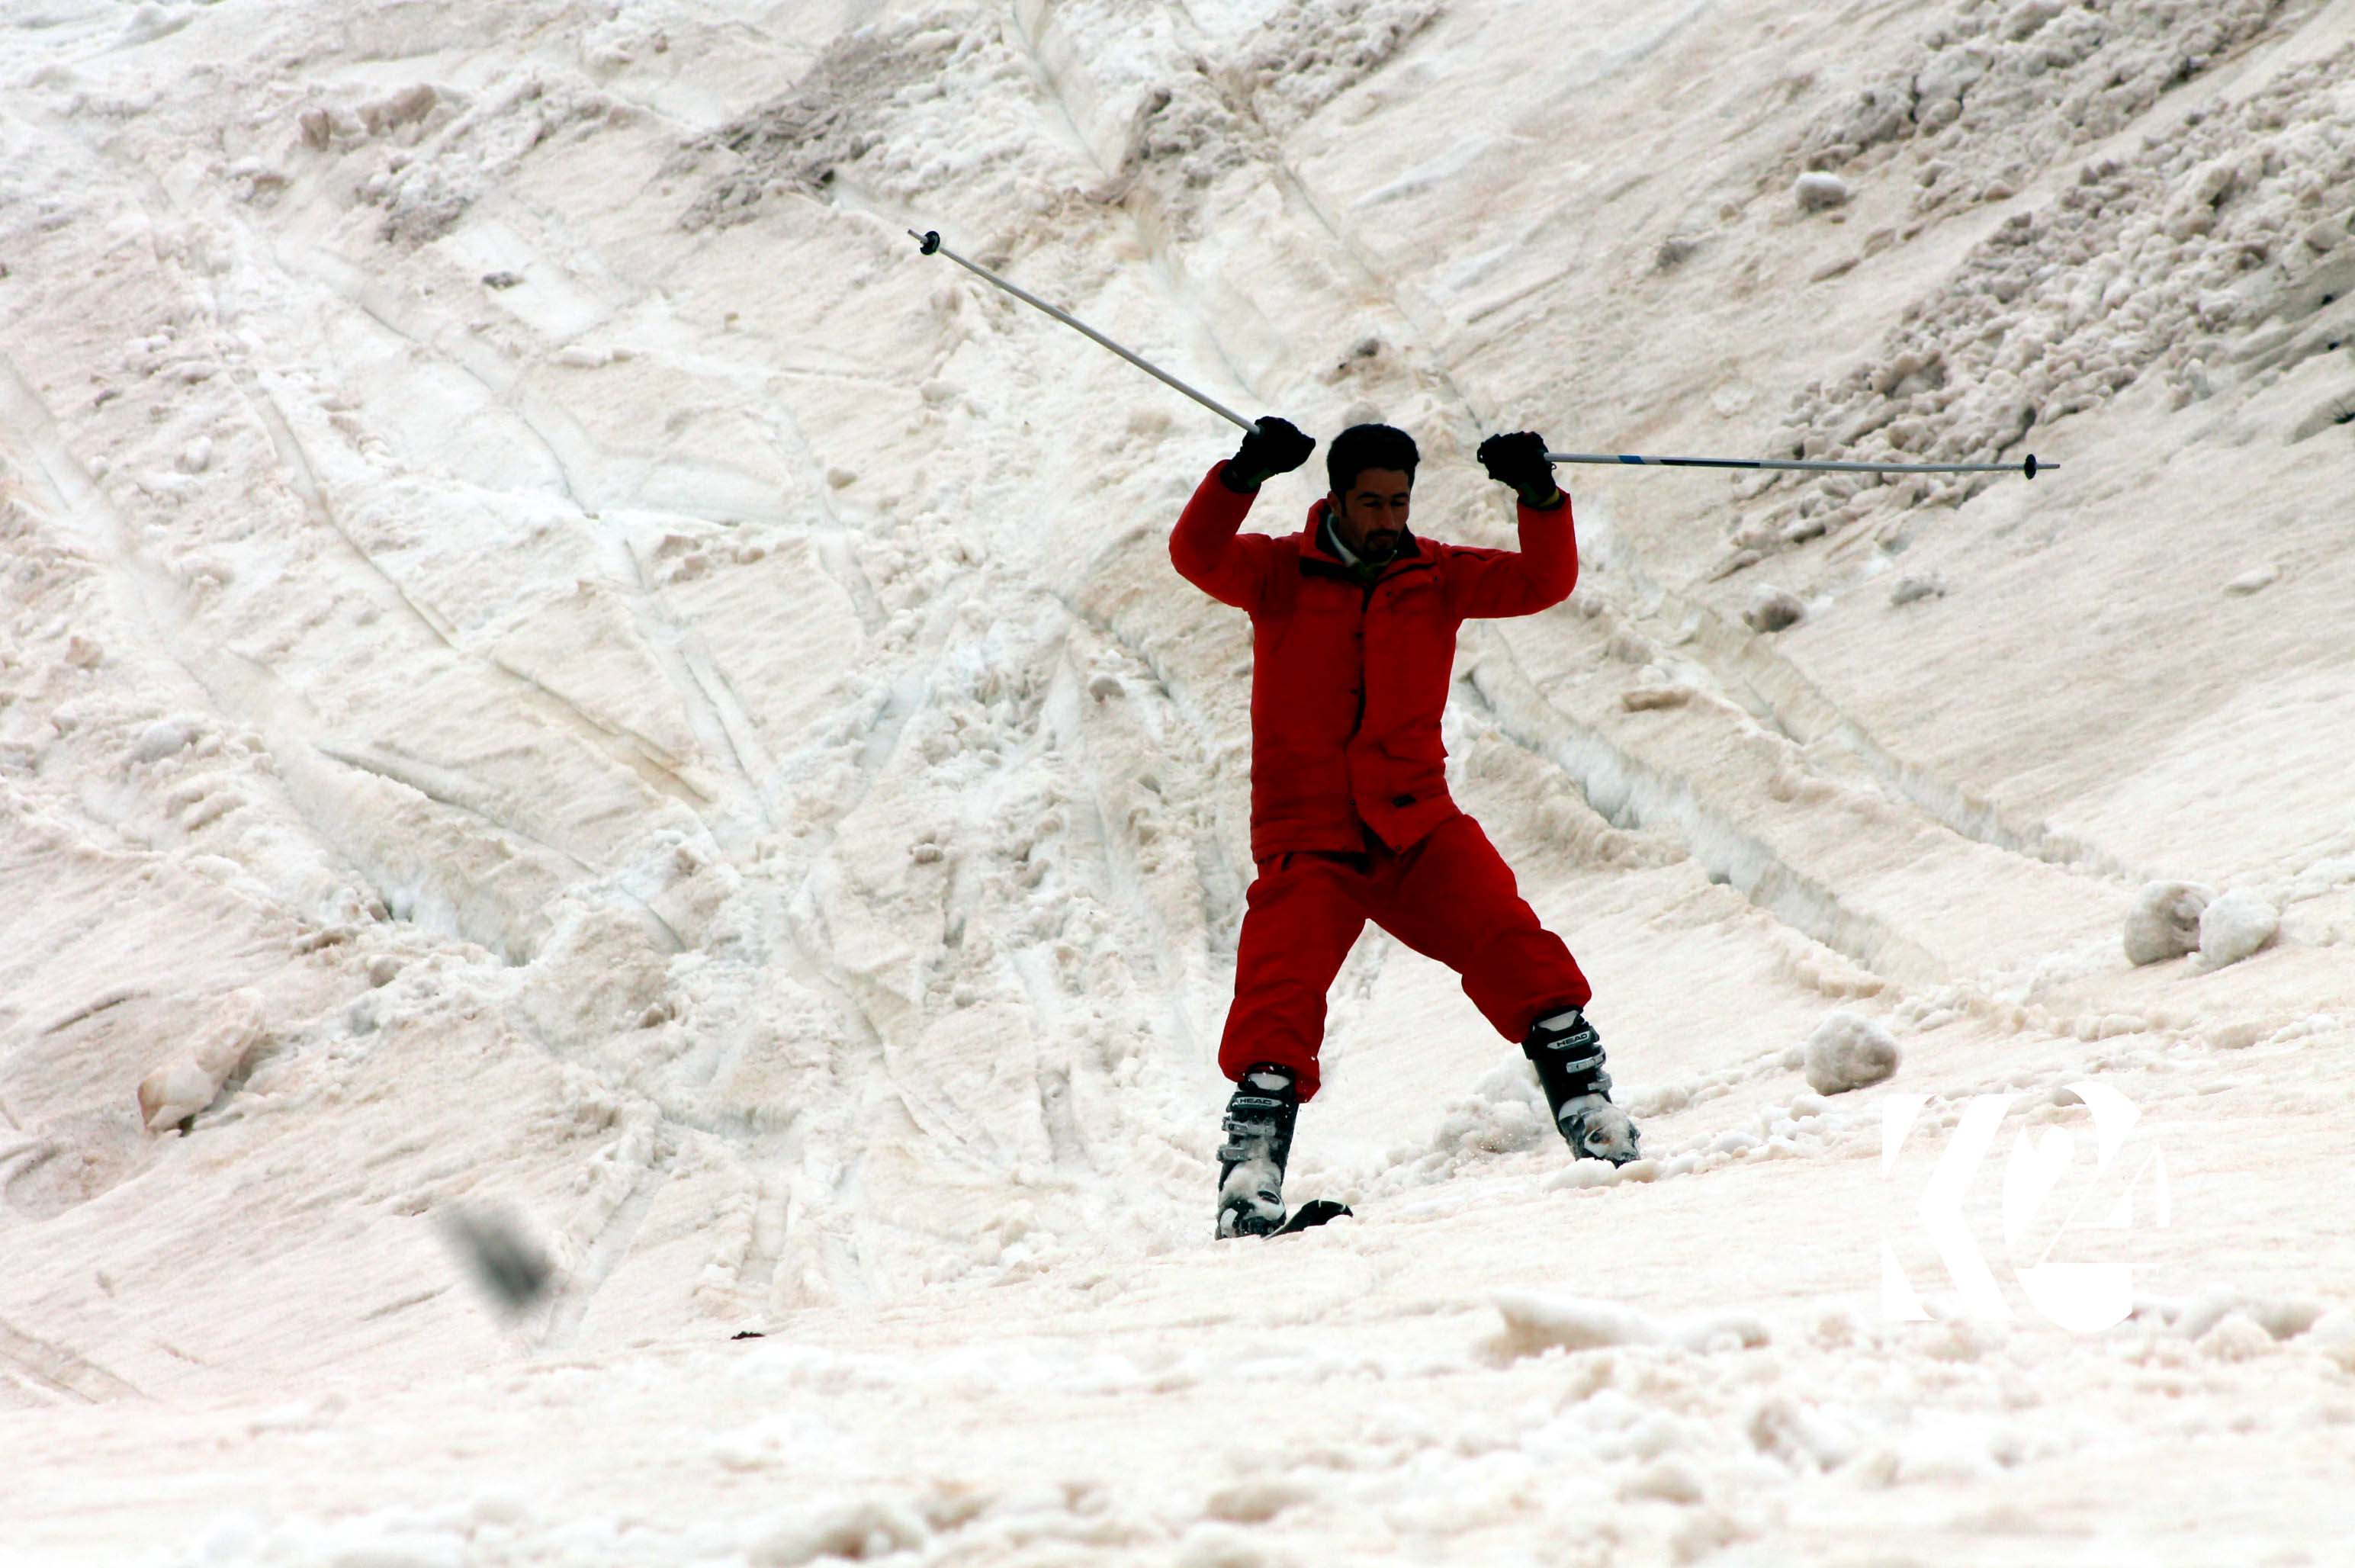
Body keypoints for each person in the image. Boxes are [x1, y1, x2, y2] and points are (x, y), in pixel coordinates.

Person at [1168, 418, 1642, 1238]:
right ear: (1336, 499)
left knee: (1513, 945)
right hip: (1309, 837)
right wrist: (1242, 474)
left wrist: (1539, 495)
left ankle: (1593, 1115)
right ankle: (1248, 1188)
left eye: (1399, 502)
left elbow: (1542, 580)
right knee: (1275, 1006)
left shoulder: (1437, 576)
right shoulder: (1279, 573)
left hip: (1415, 823)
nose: (1387, 519)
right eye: (1371, 502)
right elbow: (1196, 555)